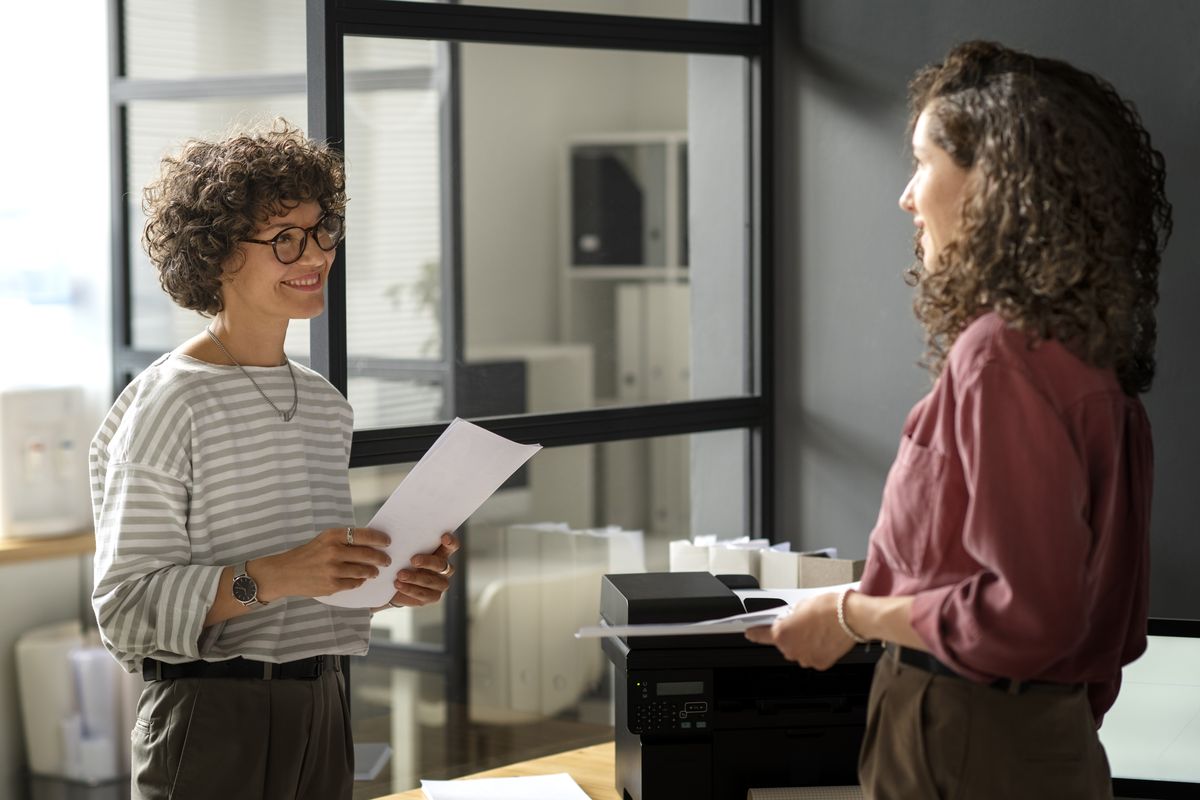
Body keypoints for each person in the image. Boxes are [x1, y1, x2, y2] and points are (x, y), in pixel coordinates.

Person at [746, 40, 1171, 799]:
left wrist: (848, 614)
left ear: (994, 186)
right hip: (1048, 736)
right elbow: (1108, 625)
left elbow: (1024, 614)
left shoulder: (999, 355)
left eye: (924, 161)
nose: (907, 196)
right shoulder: (1090, 358)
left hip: (962, 733)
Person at [90, 121, 461, 800]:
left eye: (322, 231)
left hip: (323, 706)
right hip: (209, 718)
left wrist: (383, 581)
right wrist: (273, 576)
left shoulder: (324, 404)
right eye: (283, 237)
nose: (314, 253)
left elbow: (306, 592)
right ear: (215, 255)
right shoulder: (170, 404)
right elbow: (124, 610)